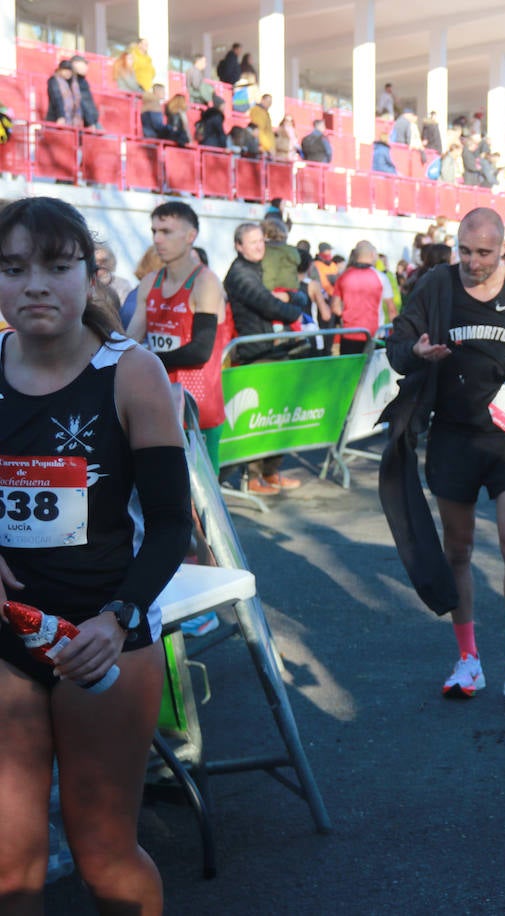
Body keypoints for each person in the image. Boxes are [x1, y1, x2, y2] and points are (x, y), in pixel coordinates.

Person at [0, 196, 192, 914]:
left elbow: (170, 525)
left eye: (57, 267)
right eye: (13, 269)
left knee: (105, 859)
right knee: (8, 865)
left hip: (104, 635)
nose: (35, 285)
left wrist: (118, 617)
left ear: (90, 273)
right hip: (7, 635)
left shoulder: (132, 373)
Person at [380, 208, 505, 707]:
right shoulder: (437, 283)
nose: (473, 262)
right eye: (465, 251)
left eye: (484, 253)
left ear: (503, 249)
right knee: (457, 550)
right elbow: (397, 345)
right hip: (453, 435)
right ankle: (468, 658)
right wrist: (416, 352)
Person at [132, 202, 230, 472]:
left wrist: (149, 359)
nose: (157, 239)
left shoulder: (205, 282)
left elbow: (200, 351)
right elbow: (128, 341)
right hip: (159, 403)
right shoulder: (150, 282)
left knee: (200, 496)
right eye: (154, 231)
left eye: (166, 231)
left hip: (198, 411)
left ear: (190, 236)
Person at [222, 222, 305, 494]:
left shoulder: (257, 269)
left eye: (261, 241)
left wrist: (291, 299)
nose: (259, 247)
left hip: (270, 348)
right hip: (255, 352)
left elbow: (278, 299)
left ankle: (270, 471)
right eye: (252, 242)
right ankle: (253, 477)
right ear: (238, 246)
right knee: (259, 417)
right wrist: (296, 307)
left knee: (280, 414)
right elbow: (267, 304)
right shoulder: (239, 274)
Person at [331, 241, 383, 355]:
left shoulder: (344, 276)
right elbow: (391, 308)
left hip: (350, 333)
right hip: (374, 334)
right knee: (372, 366)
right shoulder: (380, 277)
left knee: (351, 366)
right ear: (372, 255)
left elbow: (335, 307)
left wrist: (347, 315)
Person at [44, 59, 80, 126]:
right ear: (60, 70)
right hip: (56, 117)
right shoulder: (54, 81)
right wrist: (60, 116)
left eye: (70, 71)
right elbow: (57, 98)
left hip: (71, 120)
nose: (67, 73)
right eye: (65, 70)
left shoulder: (73, 84)